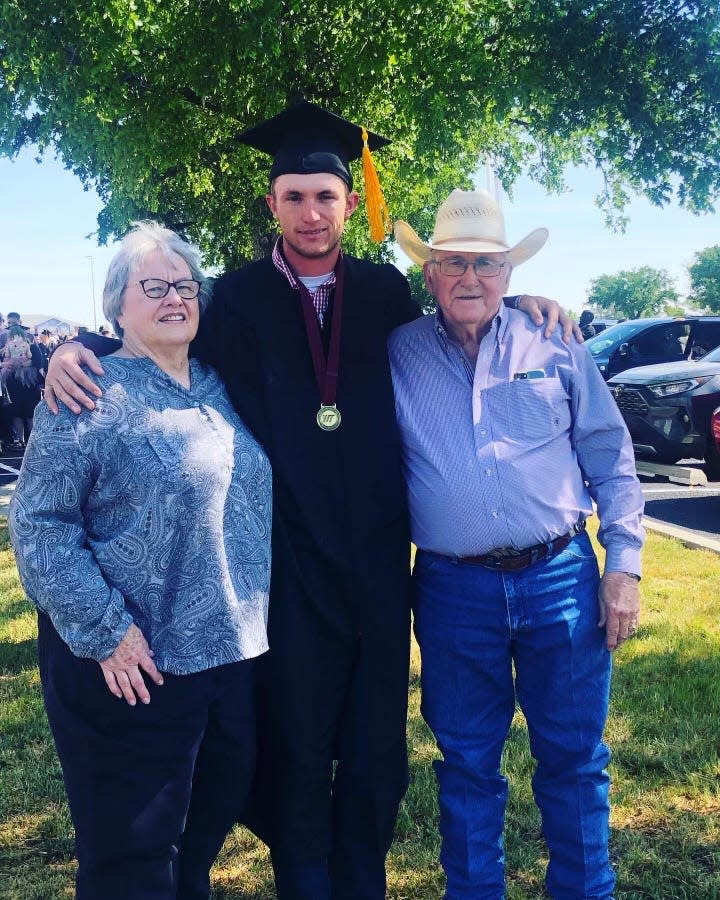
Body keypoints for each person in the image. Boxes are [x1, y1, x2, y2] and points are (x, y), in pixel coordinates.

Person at [44, 102, 578, 900]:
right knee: (295, 753)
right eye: (293, 196)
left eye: (325, 197)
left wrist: (533, 307)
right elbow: (154, 339)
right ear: (272, 205)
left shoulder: (387, 293)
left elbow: (461, 322)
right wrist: (72, 348)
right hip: (284, 572)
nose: (310, 212)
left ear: (350, 204)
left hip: (376, 563)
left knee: (373, 754)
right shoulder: (234, 298)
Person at [388, 189, 645, 899]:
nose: (471, 277)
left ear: (508, 273)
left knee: (574, 759)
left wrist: (623, 567)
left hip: (559, 578)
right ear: (429, 272)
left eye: (488, 264)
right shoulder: (396, 353)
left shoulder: (555, 339)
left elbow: (609, 456)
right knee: (467, 763)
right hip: (452, 589)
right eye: (454, 263)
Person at [10, 222, 272, 900]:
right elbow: (39, 526)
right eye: (152, 287)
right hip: (132, 668)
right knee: (131, 861)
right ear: (115, 306)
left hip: (225, 659)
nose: (173, 298)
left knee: (200, 837)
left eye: (184, 285)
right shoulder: (84, 396)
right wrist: (107, 632)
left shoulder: (219, 382)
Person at [1, 322, 44, 448]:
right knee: (19, 413)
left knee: (26, 413)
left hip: (27, 383)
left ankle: (28, 440)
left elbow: (37, 362)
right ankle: (22, 440)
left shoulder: (32, 347)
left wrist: (17, 363)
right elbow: (38, 363)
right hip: (18, 383)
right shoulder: (27, 347)